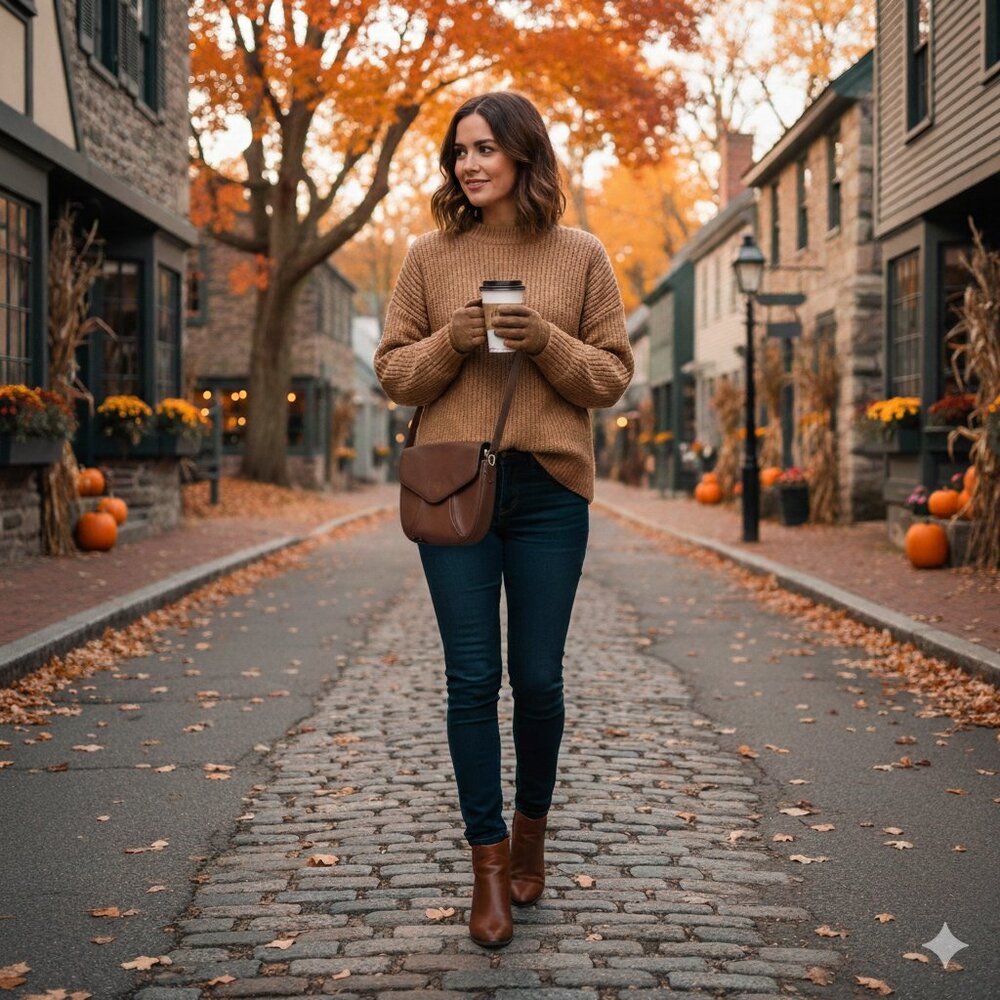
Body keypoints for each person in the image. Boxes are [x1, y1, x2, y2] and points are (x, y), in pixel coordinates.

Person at [374, 91, 633, 948]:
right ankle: (487, 869)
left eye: (485, 149)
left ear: (525, 155)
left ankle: (532, 834)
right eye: (459, 153)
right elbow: (395, 377)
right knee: (471, 679)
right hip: (454, 488)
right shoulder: (426, 256)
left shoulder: (583, 254)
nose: (469, 165)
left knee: (540, 680)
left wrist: (542, 339)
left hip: (551, 492)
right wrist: (455, 337)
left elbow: (609, 379)